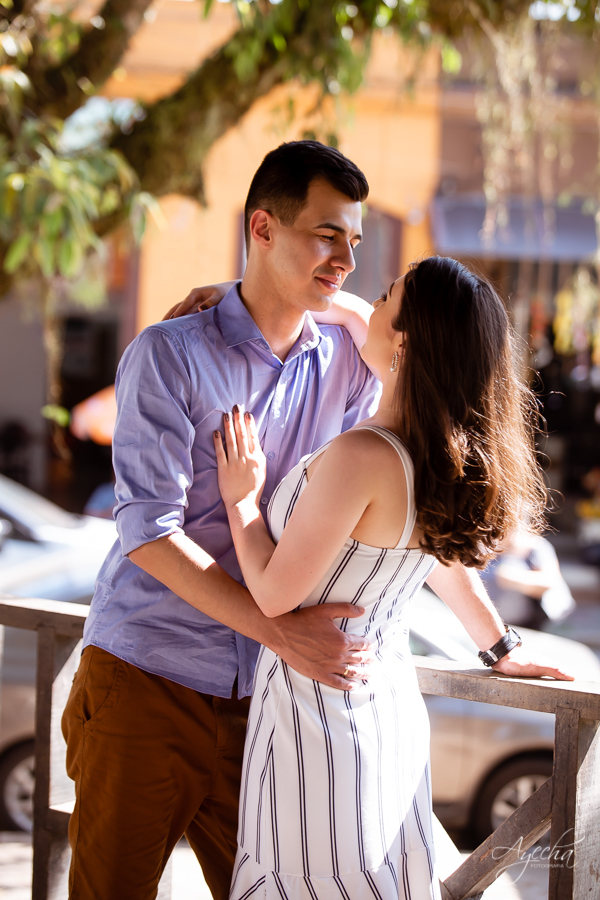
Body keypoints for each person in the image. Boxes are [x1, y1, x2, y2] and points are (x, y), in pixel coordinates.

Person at [214, 258, 574, 900]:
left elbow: (272, 593)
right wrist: (500, 646)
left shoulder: (363, 456)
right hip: (384, 713)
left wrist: (242, 500)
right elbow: (446, 563)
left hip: (314, 718)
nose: (364, 306)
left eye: (385, 297)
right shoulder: (436, 455)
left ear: (404, 339)